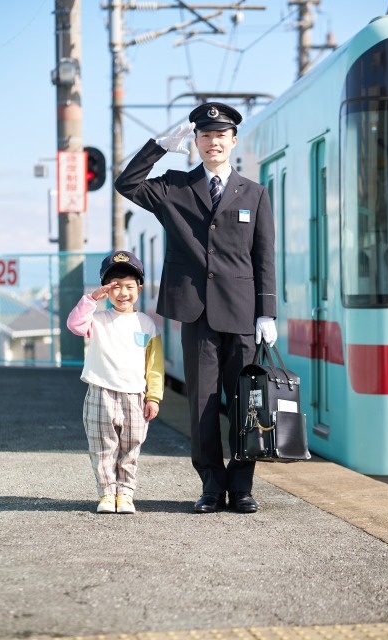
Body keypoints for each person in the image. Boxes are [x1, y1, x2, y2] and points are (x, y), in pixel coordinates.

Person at [114, 102, 277, 514]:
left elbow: (264, 258)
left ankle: (241, 487)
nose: (213, 142)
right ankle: (211, 485)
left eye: (220, 136)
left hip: (242, 315)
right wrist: (157, 148)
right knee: (202, 403)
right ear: (196, 143)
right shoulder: (175, 187)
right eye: (205, 136)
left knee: (245, 403)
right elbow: (126, 184)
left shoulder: (254, 194)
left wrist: (267, 313)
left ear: (233, 141)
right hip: (195, 314)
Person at [67, 251, 164, 514]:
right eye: (115, 286)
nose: (123, 292)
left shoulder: (146, 324)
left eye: (129, 286)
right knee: (103, 447)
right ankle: (107, 494)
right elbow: (75, 325)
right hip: (101, 392)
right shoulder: (97, 320)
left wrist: (153, 397)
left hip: (135, 396)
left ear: (139, 289)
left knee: (131, 447)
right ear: (106, 290)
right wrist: (90, 300)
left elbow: (154, 366)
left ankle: (126, 494)